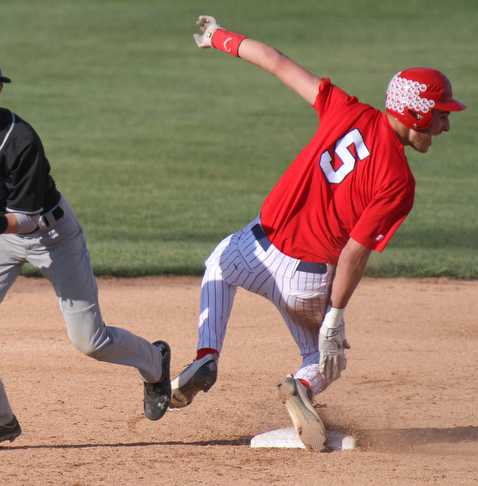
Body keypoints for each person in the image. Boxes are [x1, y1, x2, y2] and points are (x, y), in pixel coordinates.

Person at [170, 16, 466, 452]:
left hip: (252, 251)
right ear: (418, 113)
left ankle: (206, 357)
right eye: (441, 115)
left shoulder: (347, 109)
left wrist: (219, 37)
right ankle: (302, 387)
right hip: (305, 281)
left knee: (217, 263)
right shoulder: (399, 182)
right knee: (326, 359)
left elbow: (274, 61)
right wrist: (335, 317)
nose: (445, 126)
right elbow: (352, 256)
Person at [0, 51, 172, 450]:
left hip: (53, 235)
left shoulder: (20, 139)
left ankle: (154, 361)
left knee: (89, 341)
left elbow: (26, 219)